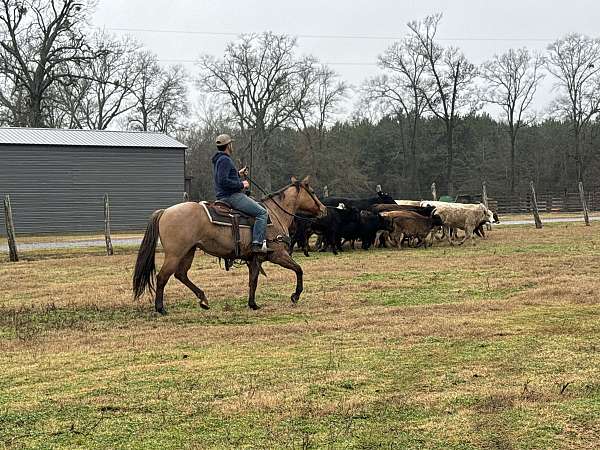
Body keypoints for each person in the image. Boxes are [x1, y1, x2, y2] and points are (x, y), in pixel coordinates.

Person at [211, 134, 272, 254]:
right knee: (262, 213)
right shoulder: (225, 160)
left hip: (225, 195)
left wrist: (238, 174)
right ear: (228, 145)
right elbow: (223, 181)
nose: (232, 146)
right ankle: (257, 244)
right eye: (231, 144)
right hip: (231, 197)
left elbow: (225, 177)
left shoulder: (219, 159)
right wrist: (242, 184)